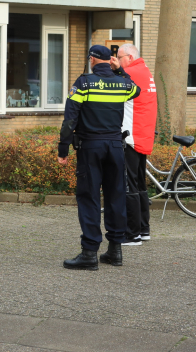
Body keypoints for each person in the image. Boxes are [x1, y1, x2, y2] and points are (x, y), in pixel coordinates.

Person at [58, 45, 140, 270]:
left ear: (92, 60)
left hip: (90, 147)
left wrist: (63, 150)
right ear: (110, 60)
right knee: (116, 196)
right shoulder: (122, 83)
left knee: (89, 197)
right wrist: (119, 70)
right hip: (115, 147)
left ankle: (89, 253)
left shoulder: (83, 83)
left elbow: (70, 120)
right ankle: (115, 251)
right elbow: (136, 90)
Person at [111, 43, 157, 246]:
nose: (118, 61)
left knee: (129, 185)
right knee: (139, 184)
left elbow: (113, 85)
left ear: (129, 57)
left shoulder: (131, 73)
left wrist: (114, 70)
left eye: (120, 57)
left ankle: (132, 234)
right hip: (143, 135)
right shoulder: (144, 71)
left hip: (131, 137)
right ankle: (144, 229)